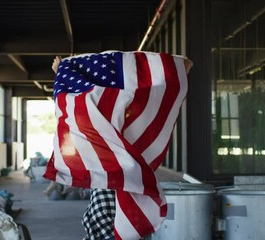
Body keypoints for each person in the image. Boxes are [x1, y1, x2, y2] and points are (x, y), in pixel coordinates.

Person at [51, 53, 193, 240]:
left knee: (108, 216)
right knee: (110, 217)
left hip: (116, 178)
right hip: (115, 179)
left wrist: (62, 73)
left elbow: (83, 108)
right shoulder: (121, 125)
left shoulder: (112, 128)